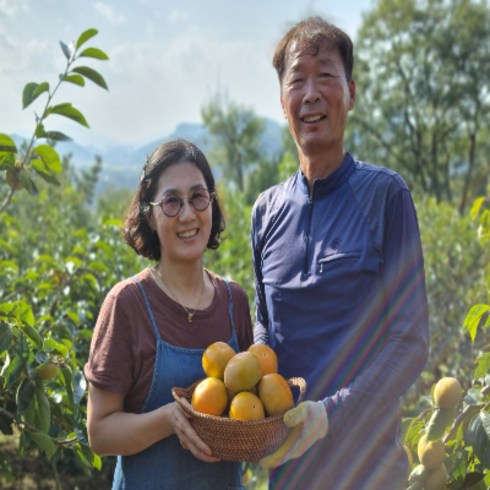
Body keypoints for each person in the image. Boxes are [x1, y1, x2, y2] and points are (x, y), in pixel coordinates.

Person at [251, 17, 429, 489]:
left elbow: (410, 342)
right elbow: (266, 325)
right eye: (297, 79)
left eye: (325, 76)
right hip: (287, 475)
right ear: (282, 102)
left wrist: (330, 415)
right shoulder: (266, 211)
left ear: (350, 93)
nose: (310, 93)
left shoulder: (385, 196)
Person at [84, 139, 253, 489]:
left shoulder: (234, 301)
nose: (188, 214)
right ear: (150, 213)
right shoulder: (127, 305)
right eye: (172, 202)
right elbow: (99, 433)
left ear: (212, 204)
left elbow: (249, 408)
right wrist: (169, 420)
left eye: (198, 197)